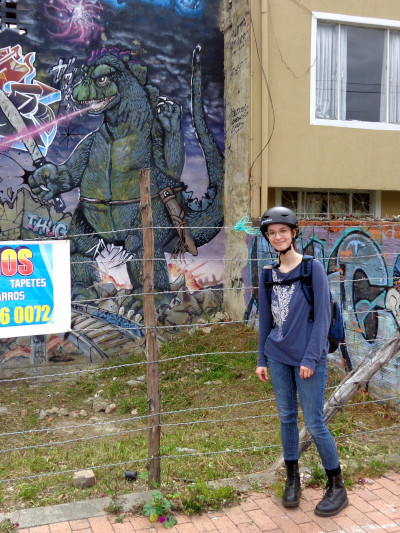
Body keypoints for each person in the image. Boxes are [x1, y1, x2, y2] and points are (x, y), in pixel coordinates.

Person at [256, 206, 348, 517]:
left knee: (314, 423)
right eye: (272, 233)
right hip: (278, 356)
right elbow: (265, 321)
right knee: (286, 418)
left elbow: (322, 319)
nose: (278, 236)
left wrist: (310, 358)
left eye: (283, 230)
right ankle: (292, 480)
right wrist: (261, 359)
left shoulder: (312, 270)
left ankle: (337, 486)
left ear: (294, 233)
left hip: (309, 359)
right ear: (268, 238)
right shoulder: (267, 274)